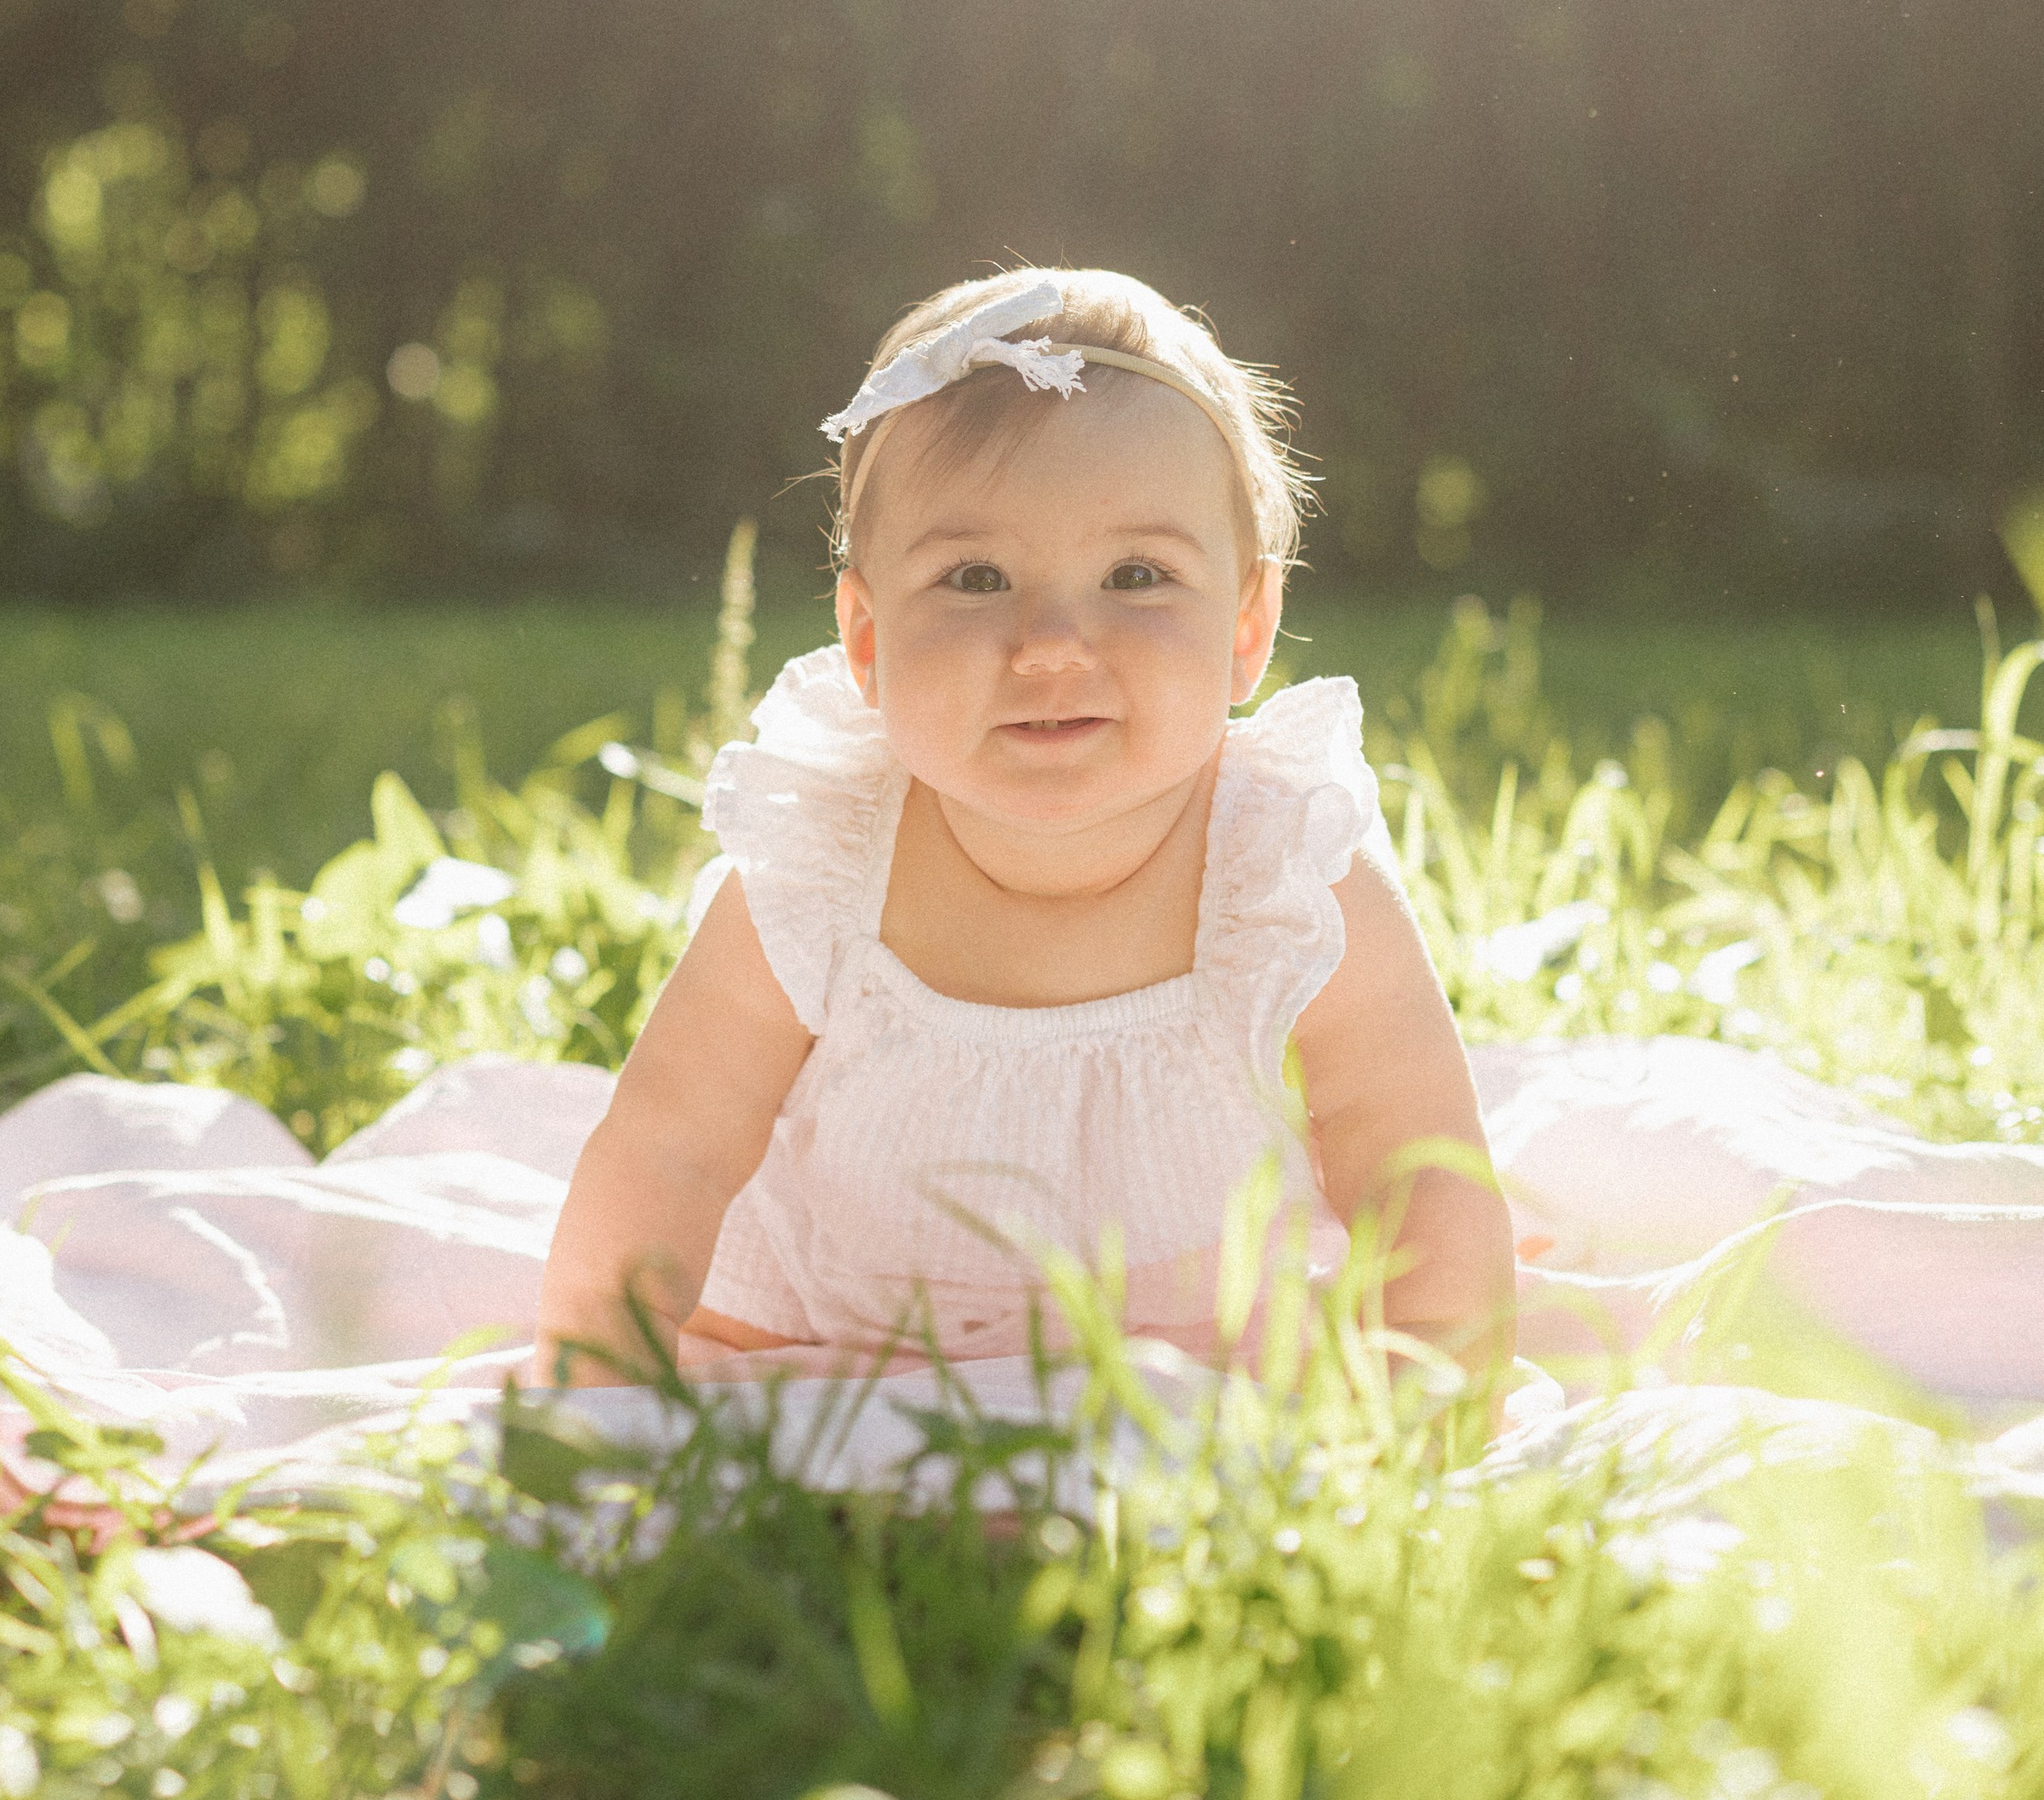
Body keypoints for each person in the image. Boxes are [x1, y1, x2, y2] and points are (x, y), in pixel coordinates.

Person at [536, 267, 1515, 1395]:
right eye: (977, 577)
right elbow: (669, 1145)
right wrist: (595, 1391)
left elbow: (1418, 1169)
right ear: (867, 639)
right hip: (851, 1360)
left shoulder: (1287, 874)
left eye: (1136, 575)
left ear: (1247, 626)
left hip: (1210, 1376)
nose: (1051, 643)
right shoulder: (824, 870)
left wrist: (1433, 1404)